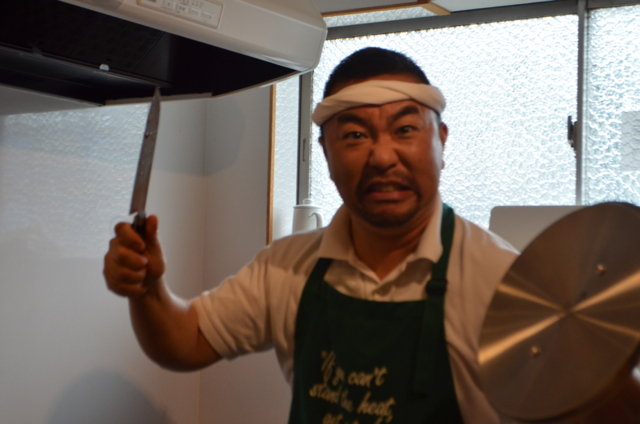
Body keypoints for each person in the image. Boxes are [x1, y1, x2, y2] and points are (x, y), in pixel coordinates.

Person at [103, 47, 638, 423]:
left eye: (405, 129)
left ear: (441, 141)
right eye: (356, 135)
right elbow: (186, 341)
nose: (383, 157)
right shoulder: (286, 267)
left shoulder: (504, 283)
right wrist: (148, 290)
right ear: (326, 152)